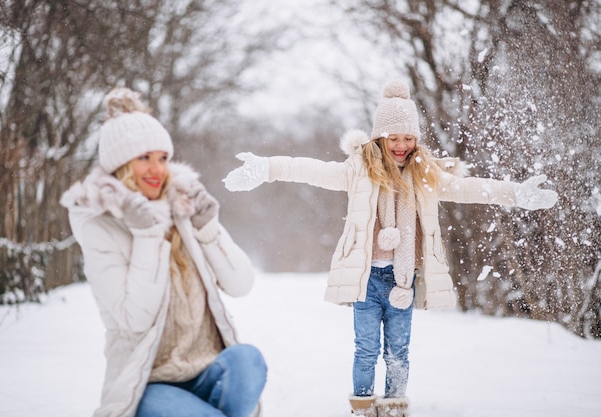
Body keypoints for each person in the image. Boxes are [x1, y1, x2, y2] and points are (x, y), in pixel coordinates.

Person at [222, 80, 557, 417]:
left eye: (408, 137)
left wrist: (515, 194)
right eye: (394, 137)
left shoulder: (425, 174)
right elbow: (310, 169)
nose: (401, 145)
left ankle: (395, 406)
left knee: (398, 351)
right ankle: (364, 407)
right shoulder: (358, 170)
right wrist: (267, 168)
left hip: (403, 279)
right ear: (380, 137)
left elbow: (467, 187)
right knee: (366, 349)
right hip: (367, 278)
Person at [61, 87, 267, 417]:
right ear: (120, 165)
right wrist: (146, 234)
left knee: (248, 361)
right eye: (144, 158)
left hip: (205, 370)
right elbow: (135, 318)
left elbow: (241, 284)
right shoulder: (99, 225)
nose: (157, 169)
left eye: (162, 158)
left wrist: (207, 227)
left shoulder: (182, 205)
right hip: (147, 384)